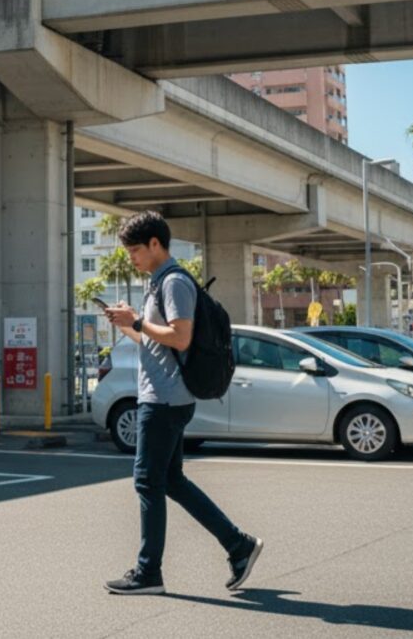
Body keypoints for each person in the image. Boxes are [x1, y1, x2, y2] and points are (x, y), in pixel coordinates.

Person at [102, 211, 262, 596]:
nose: (131, 257)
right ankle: (238, 545)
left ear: (155, 244)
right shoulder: (159, 283)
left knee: (147, 480)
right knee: (170, 480)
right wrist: (127, 324)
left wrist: (137, 321)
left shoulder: (174, 282)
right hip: (164, 395)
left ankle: (148, 573)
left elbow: (181, 338)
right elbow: (157, 343)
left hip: (164, 399)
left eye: (135, 250)